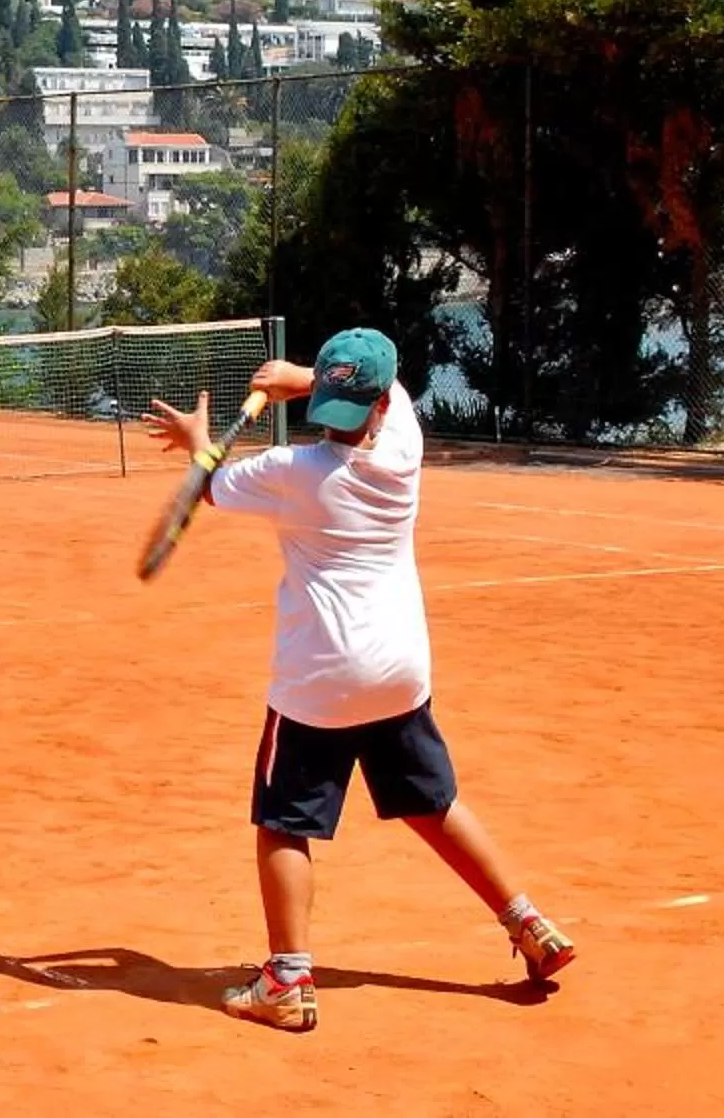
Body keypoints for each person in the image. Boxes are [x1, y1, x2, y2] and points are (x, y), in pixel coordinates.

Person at [144, 327, 574, 1033]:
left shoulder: (290, 470)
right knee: (433, 803)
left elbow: (213, 485)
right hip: (400, 672)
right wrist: (306, 373)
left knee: (282, 824)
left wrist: (198, 438)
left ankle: (285, 981)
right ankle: (528, 923)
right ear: (377, 406)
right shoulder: (404, 446)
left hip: (320, 680)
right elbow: (385, 386)